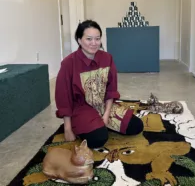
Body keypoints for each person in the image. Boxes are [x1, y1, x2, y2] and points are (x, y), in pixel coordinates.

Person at [55, 20, 143, 148]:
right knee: (98, 139)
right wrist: (67, 129)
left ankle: (98, 124)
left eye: (97, 39)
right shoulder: (68, 63)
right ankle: (81, 124)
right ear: (79, 40)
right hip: (82, 108)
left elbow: (111, 89)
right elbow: (64, 97)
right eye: (89, 39)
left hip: (103, 104)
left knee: (136, 126)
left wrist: (107, 114)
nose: (94, 43)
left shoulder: (107, 58)